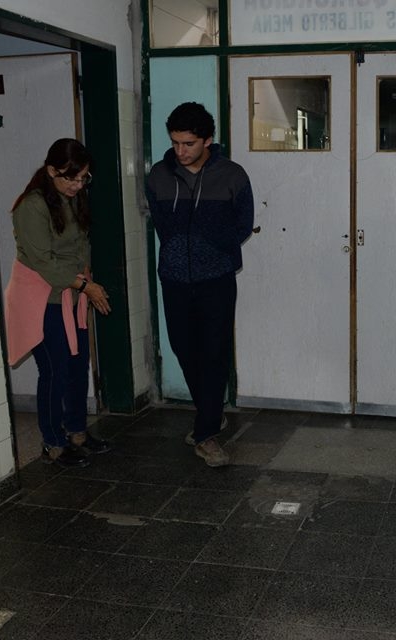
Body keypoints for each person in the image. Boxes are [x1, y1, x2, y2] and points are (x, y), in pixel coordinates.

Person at [145, 102, 254, 467]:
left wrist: (213, 247)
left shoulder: (233, 175)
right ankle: (211, 411)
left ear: (208, 140)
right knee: (184, 348)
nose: (181, 151)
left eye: (188, 143)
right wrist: (178, 251)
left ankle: (206, 434)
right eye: (175, 142)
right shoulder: (158, 176)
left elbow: (243, 224)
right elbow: (161, 224)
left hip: (216, 279)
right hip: (174, 278)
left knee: (215, 352)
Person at [4, 138, 113, 468]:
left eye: (83, 178)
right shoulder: (31, 206)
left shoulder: (73, 197)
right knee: (54, 371)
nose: (78, 185)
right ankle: (52, 442)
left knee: (78, 365)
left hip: (71, 295)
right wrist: (88, 287)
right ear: (52, 171)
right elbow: (44, 262)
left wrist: (84, 284)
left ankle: (77, 432)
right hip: (42, 299)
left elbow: (79, 246)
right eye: (71, 178)